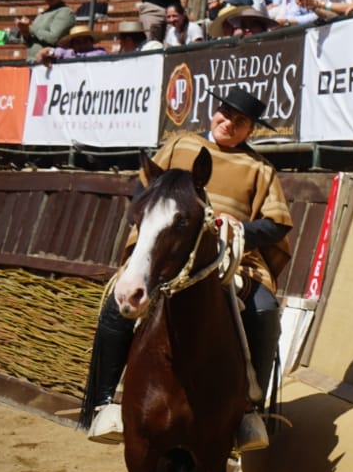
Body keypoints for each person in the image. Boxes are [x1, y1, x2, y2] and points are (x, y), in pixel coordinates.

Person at [82, 87, 292, 452]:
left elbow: (277, 224)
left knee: (265, 309)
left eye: (239, 121)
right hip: (164, 253)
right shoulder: (179, 145)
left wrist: (239, 228)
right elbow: (144, 190)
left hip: (230, 259)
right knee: (116, 305)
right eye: (224, 114)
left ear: (250, 130)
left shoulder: (261, 169)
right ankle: (105, 403)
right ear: (215, 113)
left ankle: (248, 411)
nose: (228, 123)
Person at [12, 0, 76, 61]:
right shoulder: (42, 14)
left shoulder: (65, 12)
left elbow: (53, 38)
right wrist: (25, 31)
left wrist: (31, 28)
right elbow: (28, 41)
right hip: (33, 61)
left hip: (51, 62)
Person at [36, 24, 107, 64]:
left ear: (91, 42)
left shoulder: (100, 53)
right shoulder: (70, 53)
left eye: (85, 41)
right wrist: (47, 53)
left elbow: (88, 57)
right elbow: (59, 52)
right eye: (78, 42)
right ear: (72, 45)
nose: (82, 45)